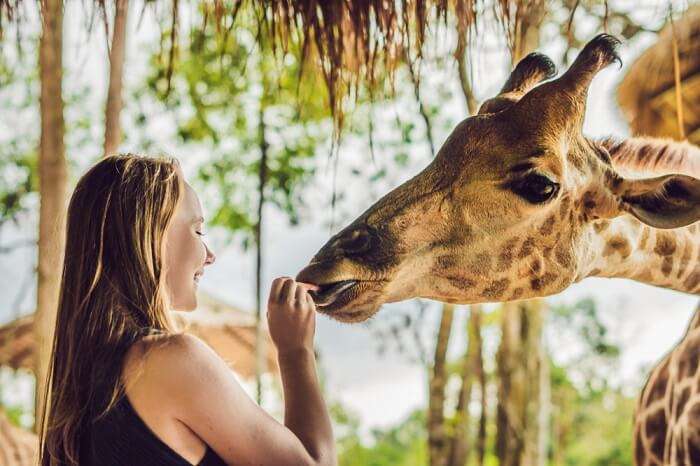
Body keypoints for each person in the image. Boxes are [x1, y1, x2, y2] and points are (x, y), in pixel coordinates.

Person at [38, 154, 336, 466]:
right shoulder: (166, 359)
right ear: (152, 234)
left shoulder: (79, 391)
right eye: (198, 230)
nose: (210, 255)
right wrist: (295, 350)